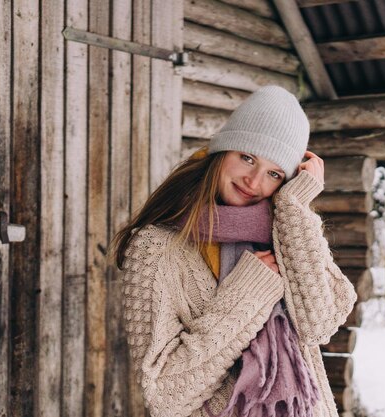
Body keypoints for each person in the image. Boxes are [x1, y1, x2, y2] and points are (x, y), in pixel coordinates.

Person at [110, 85, 357, 417]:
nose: (254, 182)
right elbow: (165, 394)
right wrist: (247, 295)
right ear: (222, 152)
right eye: (247, 157)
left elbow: (319, 324)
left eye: (274, 174)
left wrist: (295, 208)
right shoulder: (156, 247)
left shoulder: (286, 231)